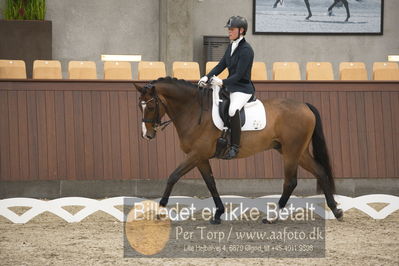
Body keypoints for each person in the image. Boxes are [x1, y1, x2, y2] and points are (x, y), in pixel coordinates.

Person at [198, 15, 255, 160]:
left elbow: (239, 75)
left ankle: (235, 146)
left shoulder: (247, 50)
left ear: (241, 31)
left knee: (232, 109)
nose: (229, 32)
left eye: (232, 29)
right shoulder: (231, 46)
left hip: (242, 88)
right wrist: (207, 76)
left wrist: (222, 82)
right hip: (230, 87)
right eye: (229, 29)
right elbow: (221, 65)